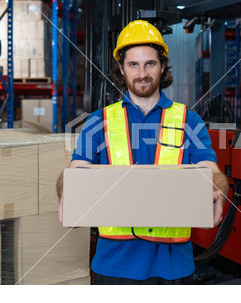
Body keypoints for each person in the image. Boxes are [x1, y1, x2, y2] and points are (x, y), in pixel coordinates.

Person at [57, 20, 228, 285]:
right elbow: (76, 172)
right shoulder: (98, 121)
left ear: (162, 67)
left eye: (150, 63)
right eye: (133, 65)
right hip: (114, 264)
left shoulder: (189, 121)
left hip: (173, 265)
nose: (142, 73)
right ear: (122, 70)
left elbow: (211, 171)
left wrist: (218, 191)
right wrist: (66, 192)